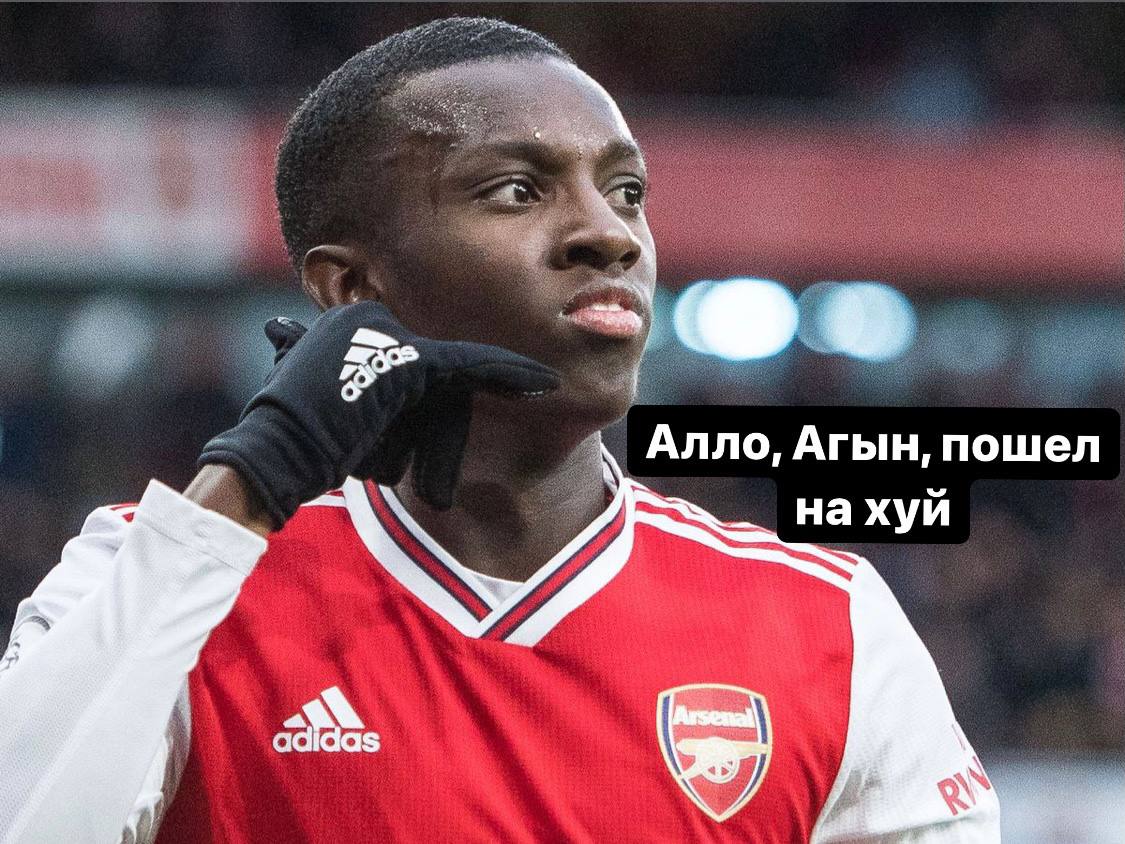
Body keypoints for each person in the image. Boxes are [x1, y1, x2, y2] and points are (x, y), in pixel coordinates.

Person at [0, 17, 999, 843]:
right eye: (518, 190)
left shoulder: (829, 624)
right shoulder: (157, 571)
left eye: (627, 193)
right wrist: (255, 473)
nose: (608, 233)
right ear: (352, 288)